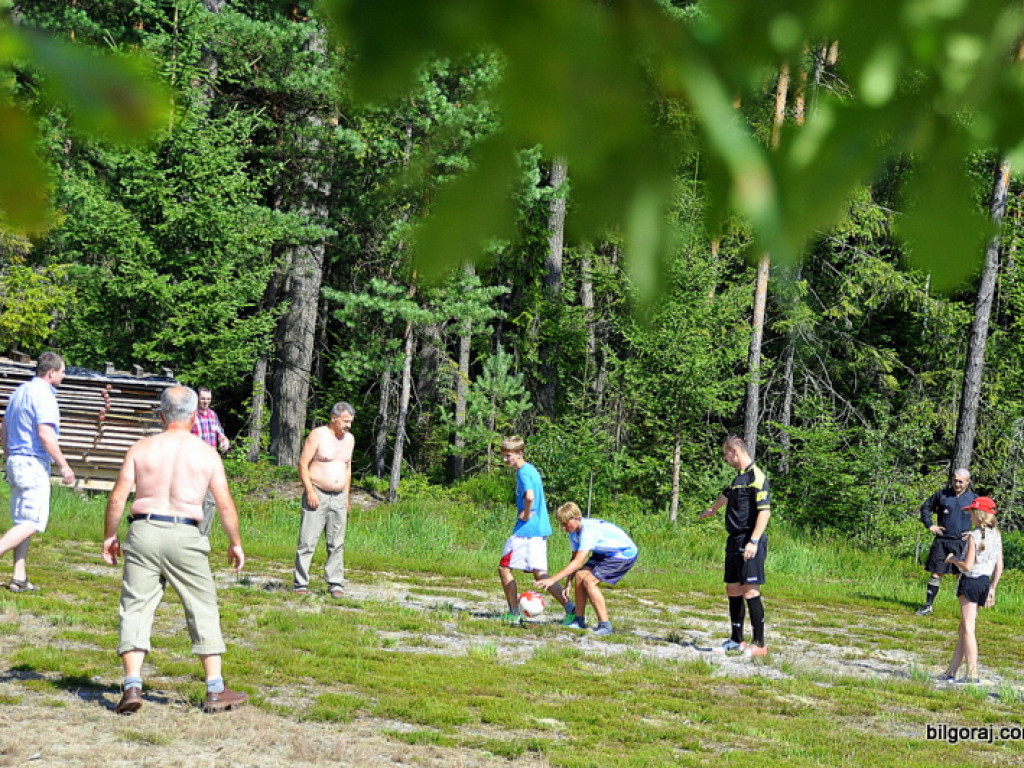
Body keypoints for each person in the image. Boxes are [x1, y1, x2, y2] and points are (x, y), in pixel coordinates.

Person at [102, 386, 247, 715]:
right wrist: (235, 542)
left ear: (161, 414)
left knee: (136, 607)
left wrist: (110, 535)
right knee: (202, 606)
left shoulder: (141, 448)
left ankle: (132, 684)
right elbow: (224, 503)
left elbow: (117, 496)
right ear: (195, 415)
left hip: (144, 528)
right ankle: (214, 689)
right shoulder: (206, 453)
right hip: (185, 532)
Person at [0, 352, 76, 592]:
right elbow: (45, 433)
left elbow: (3, 426)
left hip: (16, 460)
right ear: (51, 372)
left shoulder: (19, 392)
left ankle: (19, 577)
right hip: (33, 462)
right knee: (33, 521)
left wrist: (8, 456)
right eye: (62, 372)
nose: (63, 376)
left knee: (22, 521)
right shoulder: (44, 395)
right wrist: (63, 464)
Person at [700, 435, 771, 657]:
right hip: (733, 540)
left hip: (749, 540)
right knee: (733, 587)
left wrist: (754, 541)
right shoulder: (737, 479)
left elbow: (765, 511)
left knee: (750, 590)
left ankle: (759, 644)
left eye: (726, 454)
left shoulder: (756, 477)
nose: (725, 458)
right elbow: (726, 496)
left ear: (735, 452)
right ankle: (736, 640)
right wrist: (712, 510)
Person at [498, 436, 574, 626]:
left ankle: (514, 613)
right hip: (540, 530)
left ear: (519, 454)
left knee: (504, 568)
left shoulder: (523, 472)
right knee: (540, 574)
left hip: (526, 531)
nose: (505, 460)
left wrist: (524, 513)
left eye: (508, 456)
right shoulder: (531, 470)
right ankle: (571, 609)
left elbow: (530, 496)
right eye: (504, 456)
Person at [536, 502, 638, 636]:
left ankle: (605, 626)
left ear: (577, 518)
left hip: (623, 554)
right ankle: (579, 621)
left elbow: (579, 562)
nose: (563, 528)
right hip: (604, 553)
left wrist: (552, 580)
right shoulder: (574, 533)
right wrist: (568, 583)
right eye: (561, 524)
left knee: (589, 581)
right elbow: (574, 559)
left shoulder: (588, 531)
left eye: (565, 524)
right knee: (580, 576)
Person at [293, 402, 355, 598]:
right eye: (345, 421)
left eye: (351, 422)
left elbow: (347, 468)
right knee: (308, 541)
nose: (348, 426)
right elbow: (303, 464)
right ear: (334, 418)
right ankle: (300, 583)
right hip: (317, 493)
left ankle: (335, 583)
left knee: (337, 542)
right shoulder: (318, 435)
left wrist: (346, 496)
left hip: (338, 496)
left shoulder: (349, 439)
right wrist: (309, 491)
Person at [940, 496, 1003, 684]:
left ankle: (972, 673)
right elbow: (999, 565)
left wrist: (952, 560)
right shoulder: (996, 535)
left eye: (971, 513)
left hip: (970, 582)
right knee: (963, 628)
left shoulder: (975, 537)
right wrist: (992, 588)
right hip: (984, 582)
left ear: (979, 515)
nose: (969, 516)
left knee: (968, 628)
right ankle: (950, 671)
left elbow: (967, 566)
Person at [916, 468, 977, 616]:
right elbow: (925, 507)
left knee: (963, 575)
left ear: (967, 483)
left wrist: (975, 532)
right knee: (936, 574)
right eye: (955, 480)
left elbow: (987, 516)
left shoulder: (973, 499)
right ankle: (928, 606)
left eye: (960, 481)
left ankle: (967, 611)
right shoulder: (942, 495)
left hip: (961, 543)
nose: (957, 484)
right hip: (942, 541)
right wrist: (930, 525)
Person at [192, 386, 230, 536]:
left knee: (210, 501)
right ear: (197, 399)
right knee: (197, 500)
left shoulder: (212, 415)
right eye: (203, 399)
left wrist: (224, 440)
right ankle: (192, 534)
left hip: (211, 465)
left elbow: (219, 432)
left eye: (208, 399)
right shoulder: (191, 416)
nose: (206, 402)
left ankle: (201, 536)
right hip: (195, 465)